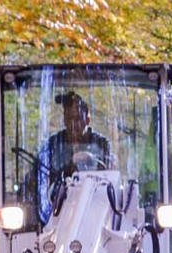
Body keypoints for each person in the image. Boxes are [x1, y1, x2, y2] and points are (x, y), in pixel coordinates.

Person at [32, 89, 112, 222]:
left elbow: (109, 176)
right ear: (64, 120)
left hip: (95, 211)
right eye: (69, 119)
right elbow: (42, 180)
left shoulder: (101, 144)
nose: (73, 125)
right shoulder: (52, 145)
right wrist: (68, 168)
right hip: (57, 213)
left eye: (78, 118)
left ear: (87, 119)